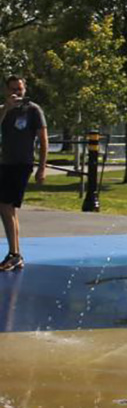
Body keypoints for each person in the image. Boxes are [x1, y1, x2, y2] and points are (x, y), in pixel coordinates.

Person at [0, 76, 47, 272]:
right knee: (8, 208)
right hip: (5, 163)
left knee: (5, 205)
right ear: (6, 90)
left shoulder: (33, 110)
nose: (17, 93)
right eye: (12, 89)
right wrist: (6, 108)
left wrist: (42, 167)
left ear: (24, 89)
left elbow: (43, 139)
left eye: (19, 89)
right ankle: (15, 253)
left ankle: (14, 253)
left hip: (22, 164)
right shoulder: (5, 109)